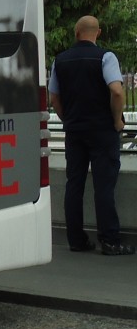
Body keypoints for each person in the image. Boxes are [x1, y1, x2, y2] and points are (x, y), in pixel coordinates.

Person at [49, 15, 134, 255]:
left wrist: (68, 119)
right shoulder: (106, 57)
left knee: (73, 184)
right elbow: (117, 91)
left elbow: (54, 97)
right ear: (97, 33)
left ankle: (76, 240)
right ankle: (109, 241)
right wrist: (117, 121)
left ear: (76, 33)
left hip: (75, 131)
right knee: (104, 186)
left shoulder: (61, 60)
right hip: (102, 131)